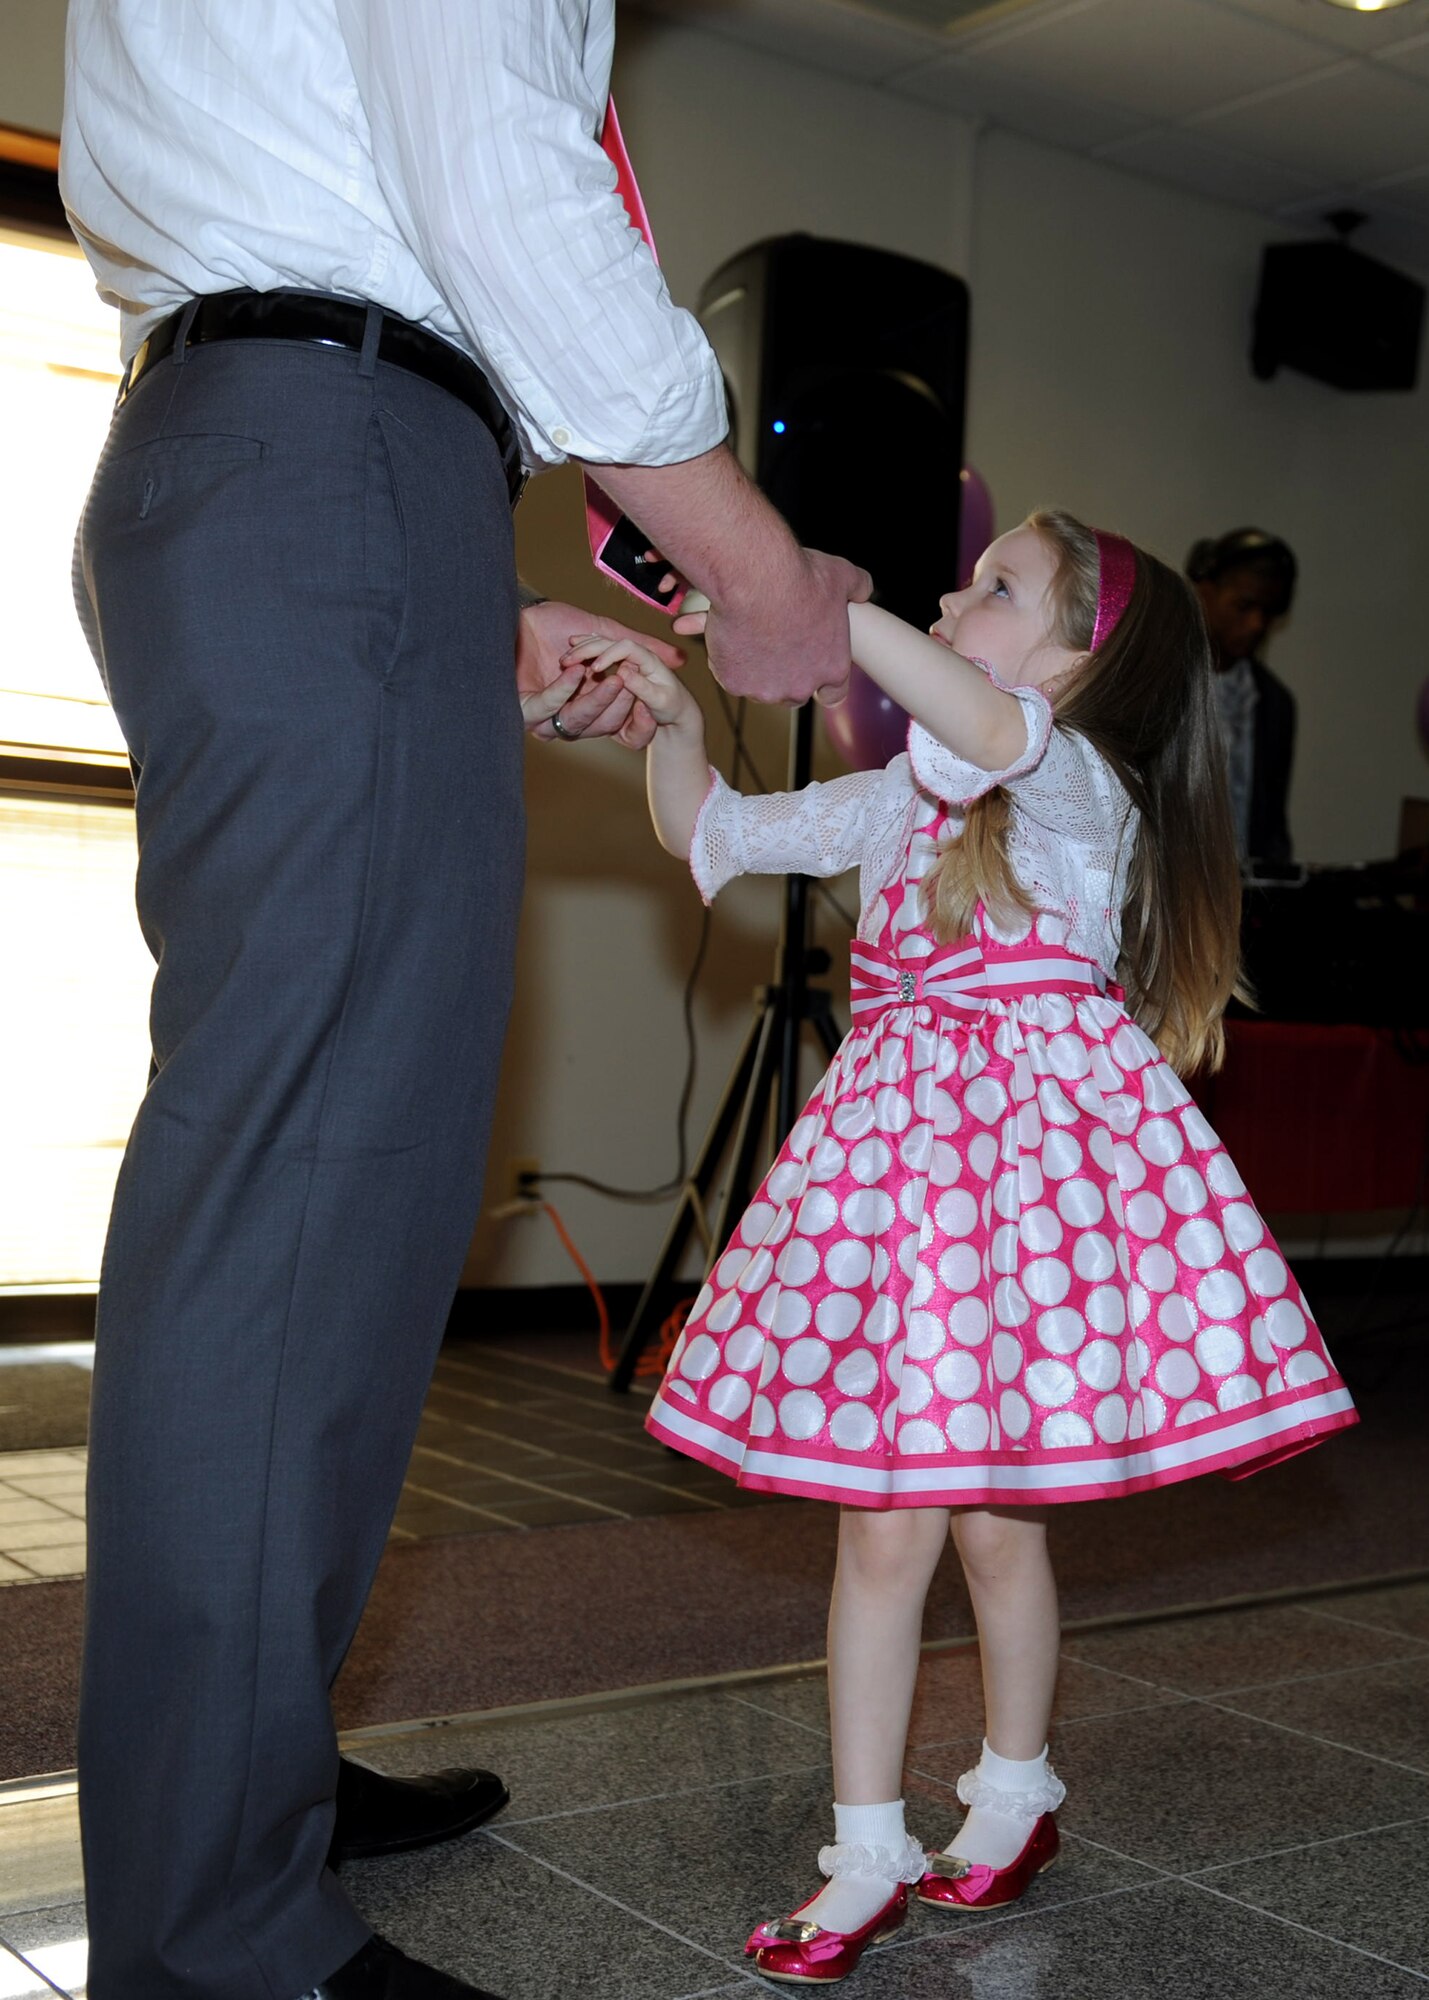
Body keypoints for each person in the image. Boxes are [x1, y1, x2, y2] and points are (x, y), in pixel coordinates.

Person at [60, 5, 872, 1997]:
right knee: (301, 1199)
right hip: (324, 445)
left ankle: (240, 1783)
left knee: (338, 1195)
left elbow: (339, 200)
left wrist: (460, 591)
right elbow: (494, 183)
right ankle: (215, 1924)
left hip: (282, 449)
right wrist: (750, 567)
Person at [564, 510, 1358, 1985]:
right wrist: (673, 721)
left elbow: (992, 727)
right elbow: (712, 832)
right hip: (900, 1205)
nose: (952, 591)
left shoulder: (1077, 787)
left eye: (999, 587)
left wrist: (805, 603)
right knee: (894, 1526)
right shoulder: (897, 800)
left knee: (994, 1530)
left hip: (1024, 1217)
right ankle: (866, 1848)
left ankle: (1005, 1795)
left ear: (1086, 660)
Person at [1185, 528, 1299, 867]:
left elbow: (1271, 824)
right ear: (1204, 591)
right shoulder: (1160, 680)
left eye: (1268, 612)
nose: (1256, 624)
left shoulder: (1275, 703)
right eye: (1244, 606)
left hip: (1241, 901)